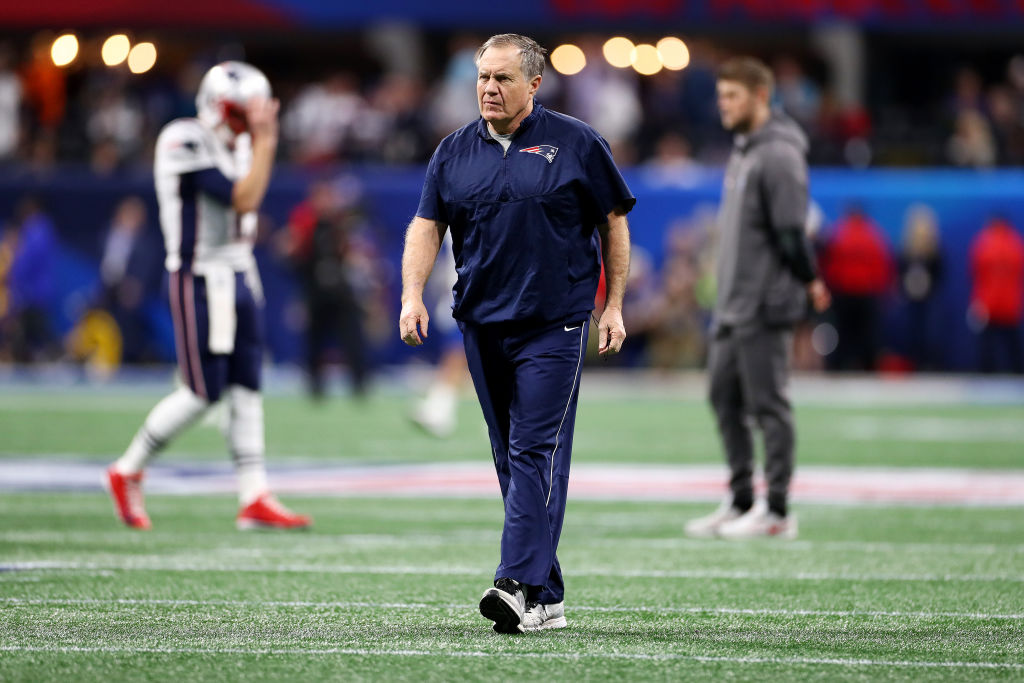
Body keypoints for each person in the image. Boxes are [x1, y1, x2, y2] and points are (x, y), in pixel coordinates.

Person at [398, 34, 633, 633]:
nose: (488, 88)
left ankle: (513, 584)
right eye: (482, 76)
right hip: (481, 323)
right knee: (512, 458)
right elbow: (426, 227)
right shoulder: (452, 152)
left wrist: (614, 306)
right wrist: (410, 296)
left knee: (533, 451)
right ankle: (547, 593)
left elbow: (614, 220)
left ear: (534, 84)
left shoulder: (578, 142)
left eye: (502, 78)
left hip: (554, 324)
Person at [105, 61, 311, 531]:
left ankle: (253, 494)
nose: (249, 124)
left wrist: (257, 141)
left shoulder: (240, 141)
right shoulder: (184, 137)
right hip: (198, 278)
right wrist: (267, 140)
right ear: (219, 106)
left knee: (247, 385)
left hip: (240, 272)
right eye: (243, 115)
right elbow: (243, 198)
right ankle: (127, 469)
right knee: (202, 392)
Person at [686, 57, 830, 541]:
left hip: (764, 301)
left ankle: (778, 510)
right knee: (723, 397)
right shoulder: (745, 150)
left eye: (733, 96)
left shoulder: (779, 155)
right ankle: (743, 498)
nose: (723, 105)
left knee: (768, 405)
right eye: (721, 95)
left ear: (761, 97)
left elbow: (792, 232)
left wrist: (809, 279)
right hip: (733, 301)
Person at [969, 215, 1024, 374]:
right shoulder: (1015, 243)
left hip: (988, 302)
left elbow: (976, 273)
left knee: (987, 346)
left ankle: (987, 375)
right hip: (1009, 304)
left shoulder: (984, 243)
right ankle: (1018, 374)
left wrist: (979, 302)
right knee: (1012, 345)